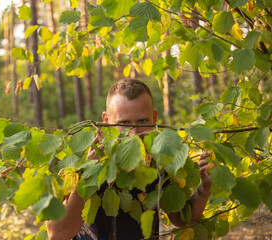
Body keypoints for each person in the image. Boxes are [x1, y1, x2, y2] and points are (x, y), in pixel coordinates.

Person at [46, 79, 212, 240]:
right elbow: (57, 234)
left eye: (142, 121)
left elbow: (182, 219)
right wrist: (87, 176)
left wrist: (204, 188)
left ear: (154, 118)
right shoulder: (76, 162)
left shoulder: (160, 161)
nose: (134, 134)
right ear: (106, 122)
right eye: (124, 123)